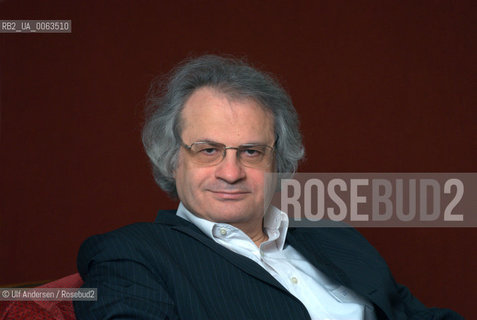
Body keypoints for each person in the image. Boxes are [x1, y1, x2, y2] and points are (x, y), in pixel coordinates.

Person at [74, 55, 463, 319]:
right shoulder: (130, 254)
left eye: (251, 151)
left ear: (278, 161)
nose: (231, 172)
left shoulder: (332, 235)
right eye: (208, 150)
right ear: (173, 159)